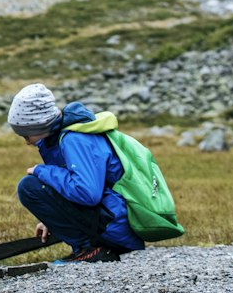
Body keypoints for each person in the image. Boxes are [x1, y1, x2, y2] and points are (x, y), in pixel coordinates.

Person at [9, 82, 144, 264]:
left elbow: (88, 194)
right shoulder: (63, 137)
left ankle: (90, 250)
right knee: (37, 183)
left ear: (39, 126)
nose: (27, 142)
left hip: (117, 226)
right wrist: (54, 217)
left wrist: (43, 171)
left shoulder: (74, 140)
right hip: (115, 220)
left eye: (26, 135)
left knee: (29, 187)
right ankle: (87, 247)